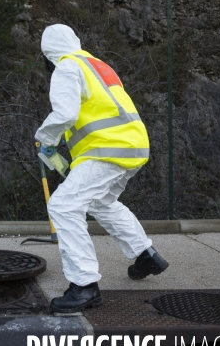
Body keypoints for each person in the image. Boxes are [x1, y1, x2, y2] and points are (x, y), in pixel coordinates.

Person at [36, 24, 168, 313]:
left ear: (48, 54)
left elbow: (65, 113)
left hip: (106, 149)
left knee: (63, 205)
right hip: (133, 145)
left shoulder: (67, 68)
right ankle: (146, 255)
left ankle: (84, 286)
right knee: (101, 202)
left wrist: (45, 140)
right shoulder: (98, 65)